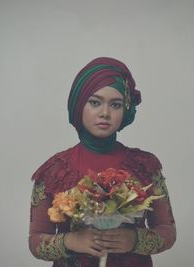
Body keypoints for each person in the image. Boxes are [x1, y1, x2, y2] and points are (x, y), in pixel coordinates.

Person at [29, 57, 176, 267]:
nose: (105, 113)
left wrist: (134, 240)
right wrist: (71, 241)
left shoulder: (145, 165)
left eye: (115, 104)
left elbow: (167, 230)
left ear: (125, 109)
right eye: (95, 102)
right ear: (79, 105)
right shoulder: (54, 170)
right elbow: (35, 240)